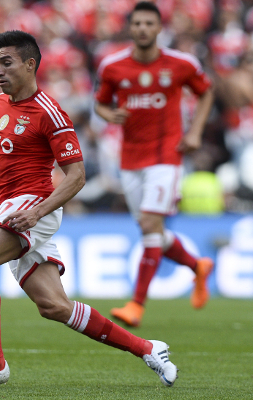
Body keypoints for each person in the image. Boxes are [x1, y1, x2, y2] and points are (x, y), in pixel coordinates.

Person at [0, 30, 177, 390]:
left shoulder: (50, 113)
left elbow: (77, 176)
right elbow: (16, 158)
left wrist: (37, 212)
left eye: (6, 63)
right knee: (54, 306)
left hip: (32, 206)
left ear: (30, 64)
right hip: (14, 203)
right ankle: (148, 348)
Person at [94, 2, 215, 327]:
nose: (143, 29)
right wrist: (110, 115)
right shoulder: (113, 66)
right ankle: (197, 265)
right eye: (137, 24)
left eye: (149, 23)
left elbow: (206, 93)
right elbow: (101, 104)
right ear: (130, 28)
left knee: (149, 225)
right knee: (154, 233)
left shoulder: (180, 64)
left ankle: (136, 304)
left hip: (166, 155)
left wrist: (195, 132)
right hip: (130, 158)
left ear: (159, 28)